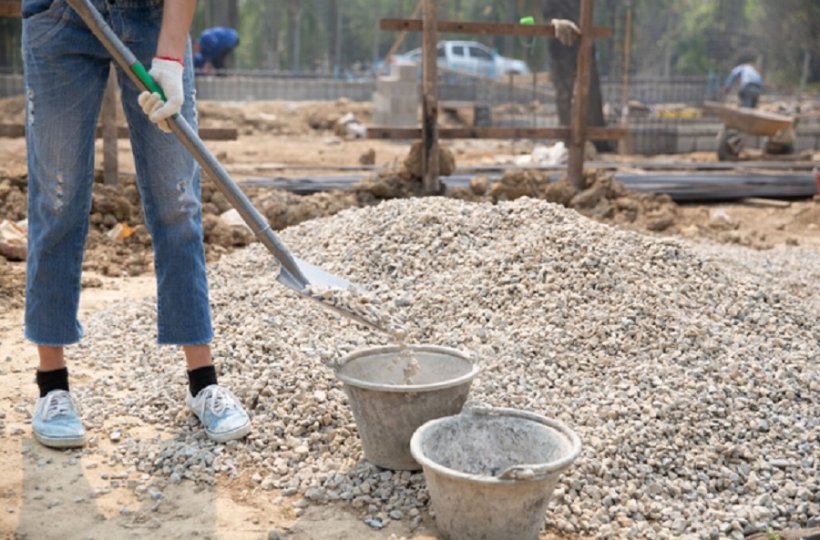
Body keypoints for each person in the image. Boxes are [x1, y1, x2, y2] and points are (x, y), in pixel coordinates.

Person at [22, 0, 250, 448]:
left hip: (152, 16)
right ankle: (53, 386)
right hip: (60, 16)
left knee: (177, 201)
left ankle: (204, 383)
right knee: (58, 198)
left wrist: (168, 60)